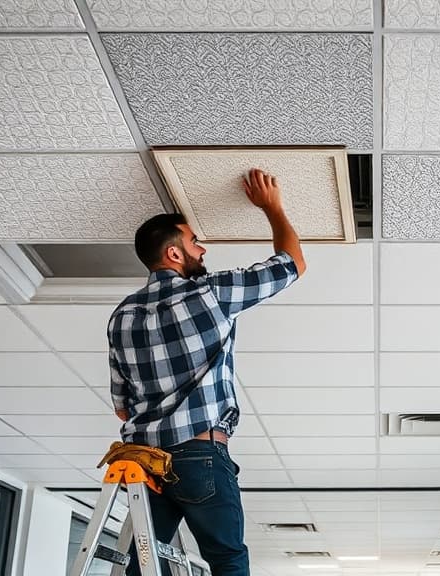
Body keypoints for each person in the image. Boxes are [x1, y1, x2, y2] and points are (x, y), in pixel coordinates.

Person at [107, 169, 306, 576]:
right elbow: (292, 265)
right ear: (174, 254)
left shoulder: (121, 315)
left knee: (144, 565)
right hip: (199, 456)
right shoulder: (210, 292)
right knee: (226, 560)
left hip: (145, 462)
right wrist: (273, 208)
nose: (203, 249)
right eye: (194, 242)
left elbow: (123, 410)